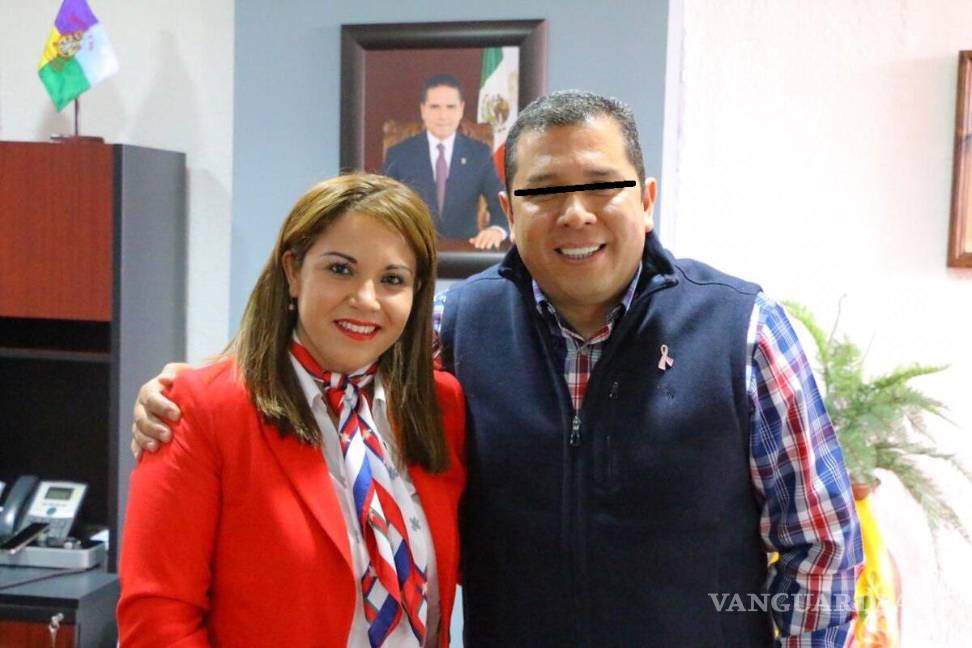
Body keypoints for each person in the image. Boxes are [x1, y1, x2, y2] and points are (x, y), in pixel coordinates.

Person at [133, 91, 863, 647]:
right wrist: (187, 391)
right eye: (543, 191)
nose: (574, 213)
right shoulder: (457, 329)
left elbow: (822, 548)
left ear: (646, 200)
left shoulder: (745, 332)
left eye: (601, 185)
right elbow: (335, 365)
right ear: (509, 211)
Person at [118, 173, 466, 648]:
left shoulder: (441, 406)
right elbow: (158, 620)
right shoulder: (200, 409)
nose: (365, 300)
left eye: (392, 279)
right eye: (340, 269)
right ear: (293, 271)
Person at [383, 74, 506, 250]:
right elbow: (382, 207)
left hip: (464, 252)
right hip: (413, 251)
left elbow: (500, 204)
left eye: (450, 107)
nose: (443, 116)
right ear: (423, 110)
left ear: (461, 109)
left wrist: (496, 230)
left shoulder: (479, 154)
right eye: (435, 107)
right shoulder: (399, 154)